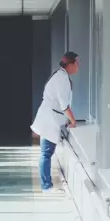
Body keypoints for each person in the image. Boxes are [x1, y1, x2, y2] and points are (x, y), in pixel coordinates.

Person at [31, 52, 79, 191]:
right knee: (46, 152)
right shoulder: (62, 79)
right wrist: (73, 121)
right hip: (49, 119)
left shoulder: (61, 75)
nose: (78, 66)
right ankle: (46, 185)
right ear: (70, 64)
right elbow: (64, 105)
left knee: (46, 152)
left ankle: (46, 184)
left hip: (50, 117)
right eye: (76, 63)